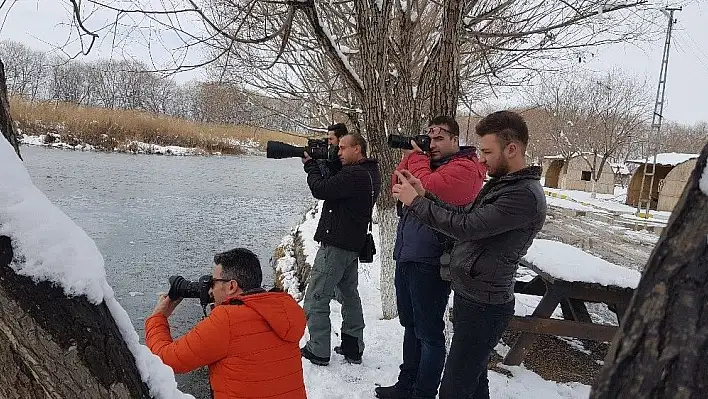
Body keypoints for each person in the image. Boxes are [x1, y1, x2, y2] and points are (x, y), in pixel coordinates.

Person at [392, 110, 547, 399]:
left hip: (485, 307)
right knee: (474, 385)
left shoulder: (522, 195)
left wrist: (416, 203)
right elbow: (467, 216)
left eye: (487, 151)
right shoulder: (505, 185)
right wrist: (426, 196)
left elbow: (466, 227)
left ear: (511, 149)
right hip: (473, 297)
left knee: (453, 390)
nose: (481, 159)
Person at [376, 116, 485, 399]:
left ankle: (423, 393)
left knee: (429, 333)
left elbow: (427, 185)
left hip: (434, 261)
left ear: (455, 139)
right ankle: (406, 384)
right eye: (429, 138)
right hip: (409, 254)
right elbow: (396, 185)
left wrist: (418, 156)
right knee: (410, 326)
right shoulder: (430, 164)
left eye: (439, 139)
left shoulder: (465, 168)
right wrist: (412, 156)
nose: (432, 144)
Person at [144, 248, 307, 399]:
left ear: (231, 286)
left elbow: (165, 359)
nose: (209, 291)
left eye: (213, 283)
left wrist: (158, 317)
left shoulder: (227, 320)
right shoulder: (284, 309)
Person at [300, 133, 381, 366]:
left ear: (358, 149)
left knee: (316, 297)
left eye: (343, 148)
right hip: (351, 245)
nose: (339, 152)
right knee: (349, 295)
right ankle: (353, 346)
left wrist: (311, 167)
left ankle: (319, 350)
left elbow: (322, 189)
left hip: (336, 245)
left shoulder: (354, 173)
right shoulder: (369, 172)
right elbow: (339, 187)